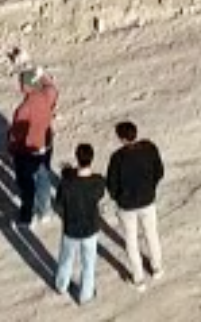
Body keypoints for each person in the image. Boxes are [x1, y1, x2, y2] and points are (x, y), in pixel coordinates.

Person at [105, 120, 166, 284]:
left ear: (122, 138)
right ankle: (157, 267)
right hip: (147, 200)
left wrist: (118, 197)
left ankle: (138, 277)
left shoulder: (117, 158)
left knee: (131, 240)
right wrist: (151, 187)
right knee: (151, 234)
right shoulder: (149, 148)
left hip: (126, 206)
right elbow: (159, 172)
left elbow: (111, 184)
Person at [51, 143, 110, 304]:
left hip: (71, 228)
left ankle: (61, 286)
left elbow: (59, 202)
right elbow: (99, 195)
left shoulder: (67, 183)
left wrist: (67, 175)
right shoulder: (98, 181)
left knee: (66, 259)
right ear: (92, 158)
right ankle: (86, 295)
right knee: (88, 263)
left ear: (76, 157)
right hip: (90, 228)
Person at [7, 64, 60, 225]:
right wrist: (42, 75)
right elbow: (52, 87)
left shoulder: (24, 109)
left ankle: (28, 215)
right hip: (46, 144)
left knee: (28, 183)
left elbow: (17, 135)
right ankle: (45, 210)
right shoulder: (47, 96)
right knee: (44, 177)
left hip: (28, 150)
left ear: (25, 86)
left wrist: (12, 149)